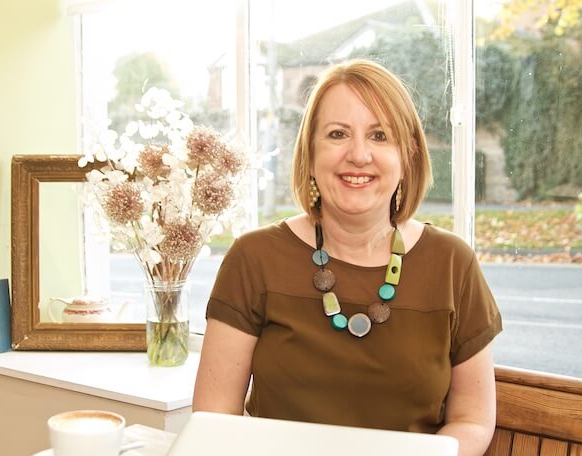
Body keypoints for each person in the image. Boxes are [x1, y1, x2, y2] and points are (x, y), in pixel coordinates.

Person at [193, 59, 502, 456]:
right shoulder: (253, 259)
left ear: (407, 155)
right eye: (338, 134)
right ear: (310, 153)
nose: (359, 155)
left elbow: (472, 420)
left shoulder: (452, 264)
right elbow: (215, 419)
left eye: (379, 135)